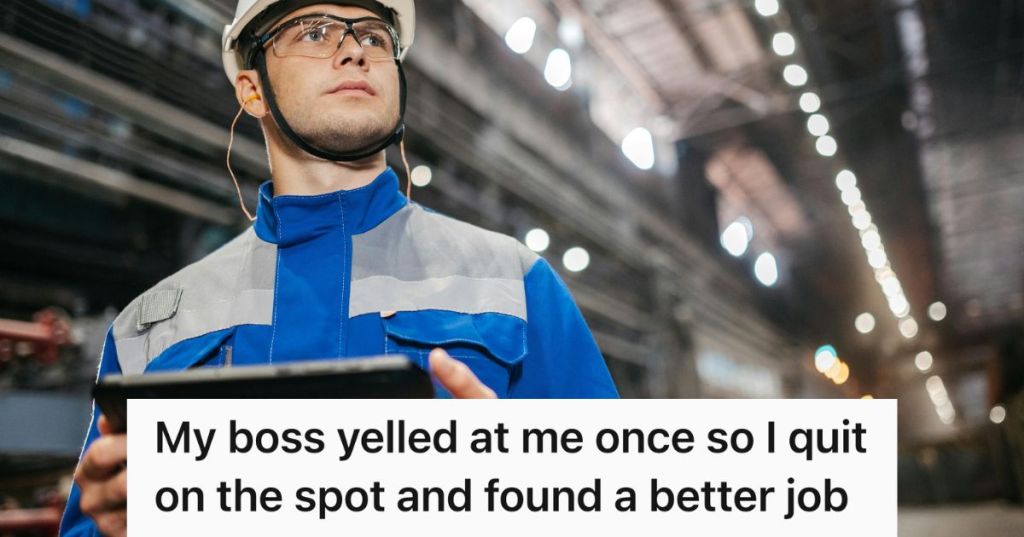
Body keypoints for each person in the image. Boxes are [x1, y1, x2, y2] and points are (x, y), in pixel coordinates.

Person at [59, 0, 617, 534]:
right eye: (315, 32)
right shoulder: (151, 327)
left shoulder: (515, 283)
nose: (356, 52)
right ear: (252, 91)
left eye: (375, 37)